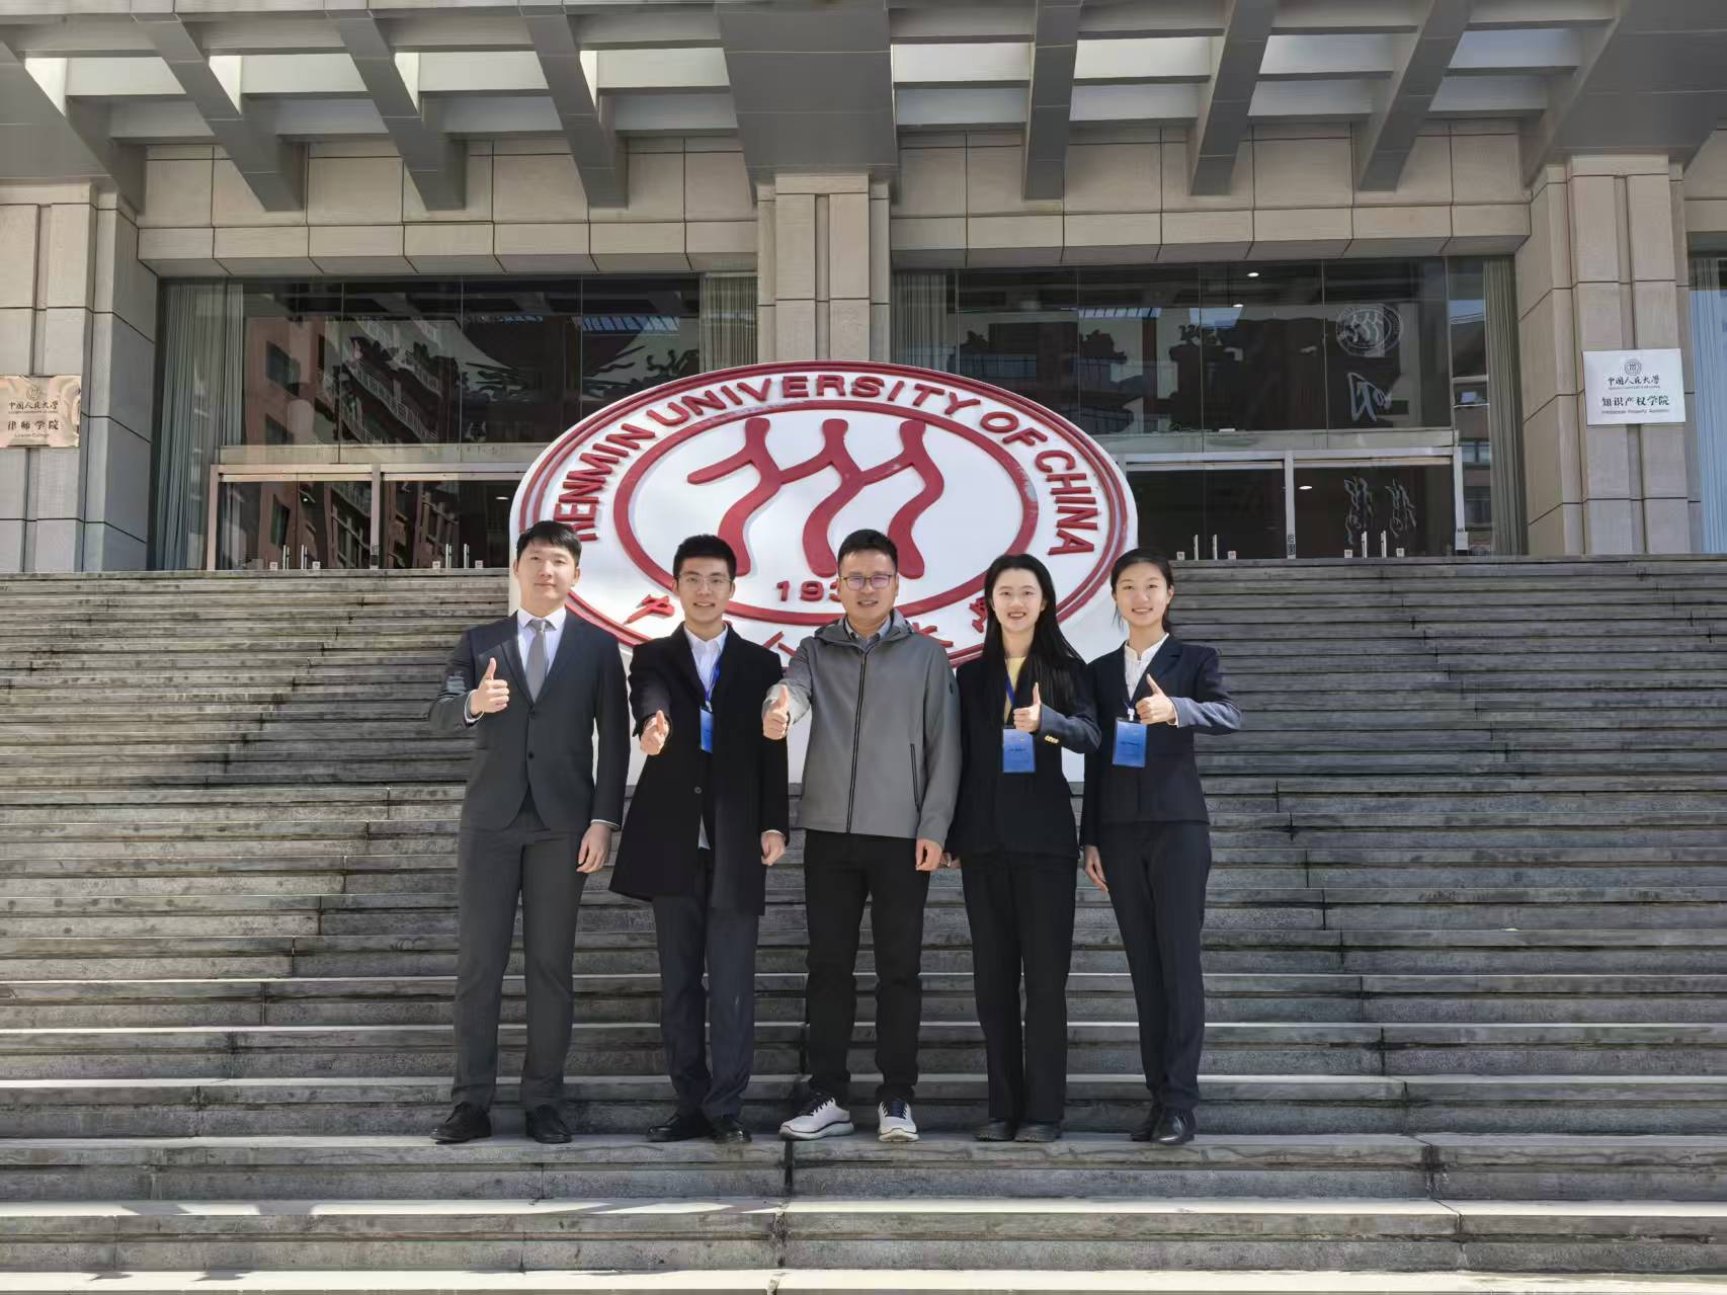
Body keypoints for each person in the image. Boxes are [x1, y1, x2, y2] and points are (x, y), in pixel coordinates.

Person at [427, 520, 629, 1145]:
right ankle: (470, 1103)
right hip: (490, 824)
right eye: (536, 559)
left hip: (562, 827)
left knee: (550, 967)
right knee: (478, 967)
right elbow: (440, 712)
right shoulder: (479, 641)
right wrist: (473, 704)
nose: (547, 570)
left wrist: (603, 821)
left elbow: (615, 740)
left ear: (576, 575)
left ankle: (544, 1100)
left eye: (559, 562)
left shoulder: (597, 648)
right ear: (517, 569)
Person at [762, 528, 961, 1144]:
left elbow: (945, 747)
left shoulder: (927, 656)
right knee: (827, 968)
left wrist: (934, 827)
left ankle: (897, 1097)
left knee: (900, 970)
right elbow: (792, 690)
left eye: (878, 577)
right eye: (855, 577)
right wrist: (779, 709)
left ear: (897, 584)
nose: (866, 588)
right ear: (837, 585)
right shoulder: (815, 649)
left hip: (902, 836)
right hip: (830, 833)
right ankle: (828, 1094)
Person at [612, 534, 789, 1145]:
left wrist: (774, 823)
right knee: (680, 983)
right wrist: (650, 727)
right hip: (673, 842)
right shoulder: (653, 656)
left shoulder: (761, 665)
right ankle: (689, 1104)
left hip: (737, 842)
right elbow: (650, 700)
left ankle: (725, 1108)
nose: (704, 590)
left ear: (732, 588)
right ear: (675, 586)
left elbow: (772, 749)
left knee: (733, 985)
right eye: (693, 578)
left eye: (716, 579)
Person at [1080, 548, 1241, 1147]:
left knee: (1178, 964)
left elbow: (1229, 715)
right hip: (1120, 833)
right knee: (1145, 971)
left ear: (1169, 594)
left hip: (1178, 828)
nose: (1140, 597)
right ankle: (1158, 1098)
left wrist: (1177, 709)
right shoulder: (1100, 671)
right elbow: (1097, 758)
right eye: (1128, 586)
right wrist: (1091, 836)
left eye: (1151, 585)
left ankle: (1180, 1102)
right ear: (1115, 597)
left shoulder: (1195, 659)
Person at [945, 554, 1100, 1144]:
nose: (1016, 602)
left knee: (1045, 982)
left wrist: (1048, 722)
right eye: (1005, 592)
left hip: (1045, 846)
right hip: (984, 844)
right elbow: (957, 759)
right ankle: (1002, 1108)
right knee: (993, 984)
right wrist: (954, 834)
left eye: (1027, 592)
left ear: (1044, 601)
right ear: (989, 602)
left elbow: (1091, 735)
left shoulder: (1065, 668)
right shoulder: (970, 676)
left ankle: (1044, 1112)